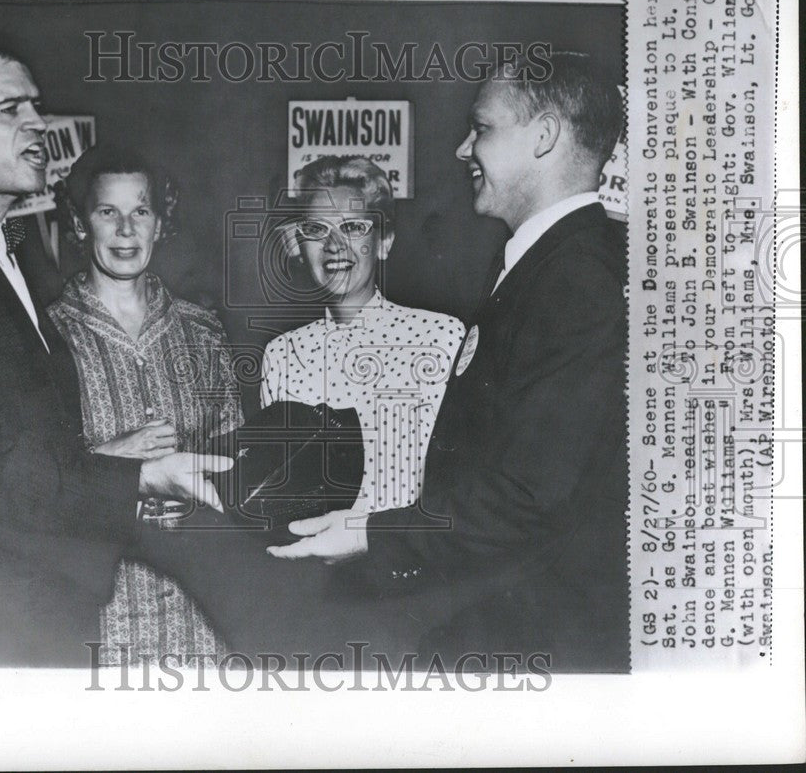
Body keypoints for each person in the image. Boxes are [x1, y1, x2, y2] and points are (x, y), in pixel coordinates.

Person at [137, 51, 629, 672]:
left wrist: (372, 533)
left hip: (458, 607)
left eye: (481, 127)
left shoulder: (570, 281)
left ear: (545, 135)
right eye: (317, 231)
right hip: (359, 597)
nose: (462, 149)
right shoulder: (544, 271)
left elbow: (528, 496)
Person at [0, 39, 231, 667]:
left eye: (35, 107)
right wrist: (136, 474)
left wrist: (99, 461)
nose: (38, 125)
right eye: (10, 110)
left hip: (38, 611)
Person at [47, 146, 242, 662]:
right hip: (96, 610)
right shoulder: (46, 336)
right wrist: (113, 454)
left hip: (203, 607)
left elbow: (237, 461)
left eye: (141, 211)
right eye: (107, 212)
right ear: (79, 223)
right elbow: (26, 482)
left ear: (160, 223)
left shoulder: (202, 331)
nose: (127, 230)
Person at [261, 156, 463, 514]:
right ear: (299, 248)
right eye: (316, 230)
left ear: (384, 242)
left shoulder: (441, 337)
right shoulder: (282, 355)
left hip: (409, 562)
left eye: (353, 227)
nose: (334, 245)